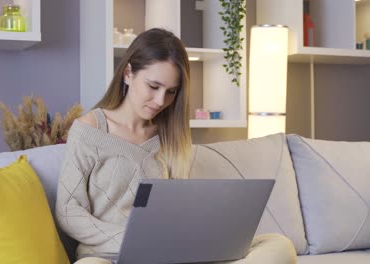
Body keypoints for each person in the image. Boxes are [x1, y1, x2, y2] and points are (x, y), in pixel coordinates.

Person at [55, 28, 297, 264]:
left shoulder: (170, 138)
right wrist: (133, 241)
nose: (161, 101)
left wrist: (195, 237)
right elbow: (68, 211)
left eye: (171, 92)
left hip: (164, 254)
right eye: (153, 86)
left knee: (279, 245)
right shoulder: (89, 129)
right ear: (128, 73)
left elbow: (175, 212)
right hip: (104, 255)